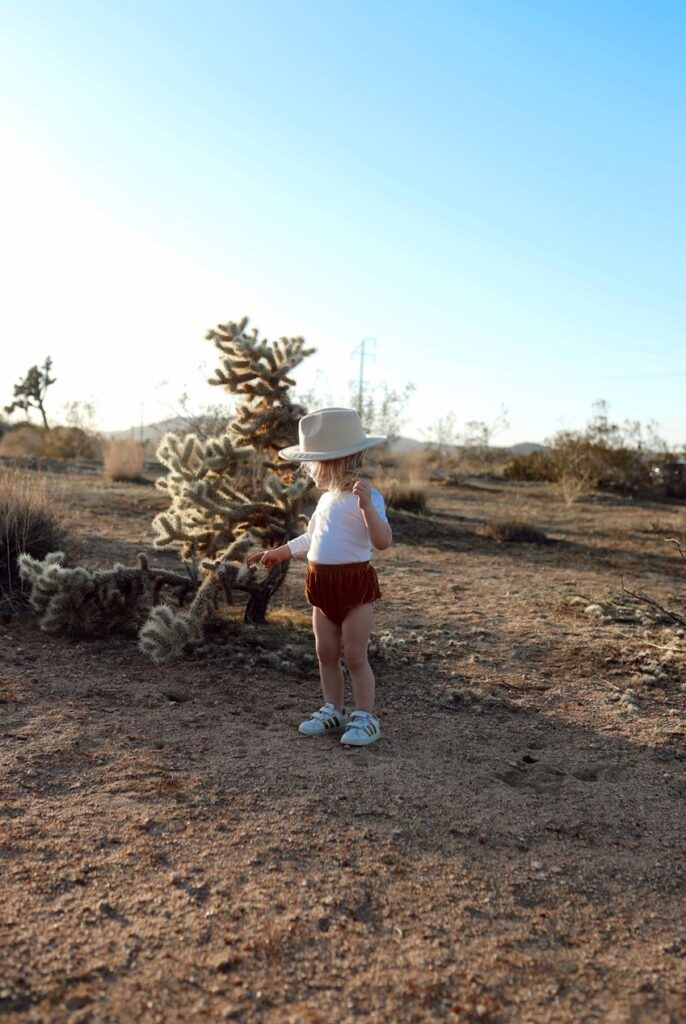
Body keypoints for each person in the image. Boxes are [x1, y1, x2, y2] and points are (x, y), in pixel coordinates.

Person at [248, 408, 392, 746]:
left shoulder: (366, 497)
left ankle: (366, 717)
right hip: (321, 585)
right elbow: (313, 537)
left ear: (333, 461)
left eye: (312, 464)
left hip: (355, 587)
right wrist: (281, 552)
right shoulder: (327, 500)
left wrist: (368, 507)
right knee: (325, 652)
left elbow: (382, 541)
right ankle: (334, 709)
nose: (309, 471)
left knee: (355, 655)